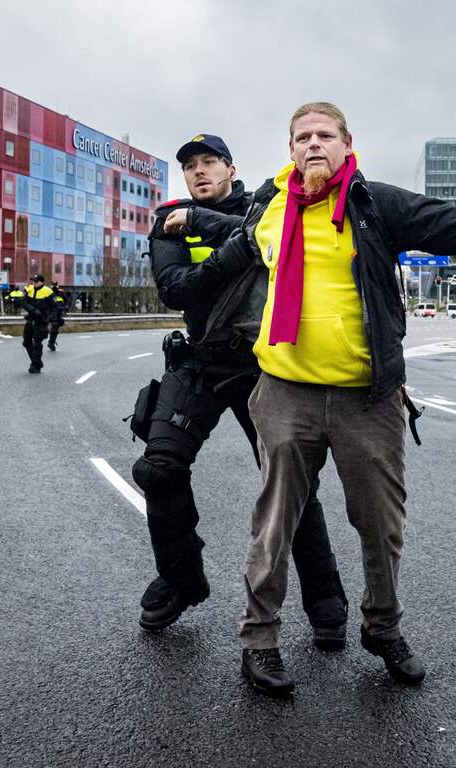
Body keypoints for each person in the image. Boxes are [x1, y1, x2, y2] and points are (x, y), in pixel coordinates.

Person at [181, 102, 456, 696]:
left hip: (368, 398)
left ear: (346, 144)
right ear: (289, 148)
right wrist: (181, 229)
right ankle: (259, 640)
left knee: (381, 525)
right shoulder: (267, 205)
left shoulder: (376, 205)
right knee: (274, 524)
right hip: (285, 391)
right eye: (302, 137)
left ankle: (383, 627)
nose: (313, 144)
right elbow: (223, 246)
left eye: (325, 135)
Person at [133, 133, 348, 644]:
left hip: (265, 365)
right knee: (157, 470)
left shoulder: (267, 205)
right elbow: (175, 290)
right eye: (189, 167)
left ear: (231, 168)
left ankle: (325, 598)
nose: (199, 172)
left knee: (295, 486)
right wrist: (237, 252)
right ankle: (182, 580)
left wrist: (233, 242)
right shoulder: (169, 220)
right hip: (200, 364)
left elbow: (274, 237)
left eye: (210, 162)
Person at [21, 275, 54, 373]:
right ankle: (37, 362)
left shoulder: (48, 292)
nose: (34, 283)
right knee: (26, 342)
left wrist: (48, 319)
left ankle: (35, 365)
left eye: (36, 281)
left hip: (41, 321)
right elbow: (23, 302)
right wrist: (34, 310)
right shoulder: (28, 290)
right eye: (33, 281)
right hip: (30, 320)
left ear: (42, 282)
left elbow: (54, 307)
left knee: (37, 343)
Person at [48, 281, 68, 351]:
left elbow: (66, 301)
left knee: (56, 328)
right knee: (53, 327)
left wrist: (65, 308)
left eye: (55, 285)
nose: (54, 286)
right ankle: (50, 342)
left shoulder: (61, 293)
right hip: (51, 313)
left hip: (58, 313)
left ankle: (51, 342)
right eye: (53, 285)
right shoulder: (48, 293)